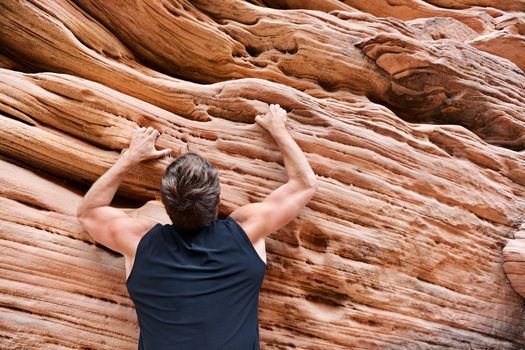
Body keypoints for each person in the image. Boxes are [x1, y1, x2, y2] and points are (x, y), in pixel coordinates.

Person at [76, 104, 318, 349]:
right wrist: (279, 130)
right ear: (218, 201)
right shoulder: (245, 232)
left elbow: (89, 213)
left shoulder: (140, 243)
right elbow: (304, 184)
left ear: (165, 205)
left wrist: (130, 157)